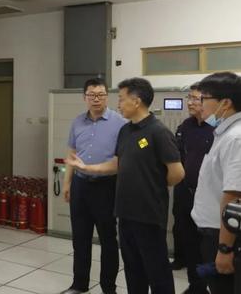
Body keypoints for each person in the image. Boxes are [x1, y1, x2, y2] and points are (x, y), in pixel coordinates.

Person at [66, 77, 185, 294]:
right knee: (133, 267)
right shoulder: (126, 131)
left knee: (156, 268)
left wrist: (151, 187)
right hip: (125, 210)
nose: (118, 104)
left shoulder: (158, 132)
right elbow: (117, 163)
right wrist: (87, 168)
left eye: (121, 99)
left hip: (148, 212)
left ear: (136, 101)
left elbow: (177, 173)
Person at [60, 78, 126, 294]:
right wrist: (67, 183)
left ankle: (108, 287)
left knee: (108, 240)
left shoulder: (120, 123)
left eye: (100, 95)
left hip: (106, 187)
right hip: (80, 186)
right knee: (80, 238)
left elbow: (121, 159)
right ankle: (79, 284)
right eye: (91, 95)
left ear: (107, 97)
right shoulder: (77, 122)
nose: (96, 99)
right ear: (84, 97)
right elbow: (72, 154)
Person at [191, 71, 241, 294]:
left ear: (225, 103)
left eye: (203, 98)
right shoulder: (225, 133)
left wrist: (224, 248)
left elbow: (235, 198)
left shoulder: (237, 137)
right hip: (214, 232)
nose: (198, 104)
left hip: (224, 236)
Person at [172, 83, 213, 294]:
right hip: (184, 193)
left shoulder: (217, 129)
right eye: (189, 97)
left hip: (209, 197)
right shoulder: (185, 127)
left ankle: (210, 285)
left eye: (196, 98)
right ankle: (196, 286)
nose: (190, 102)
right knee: (187, 239)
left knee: (207, 244)